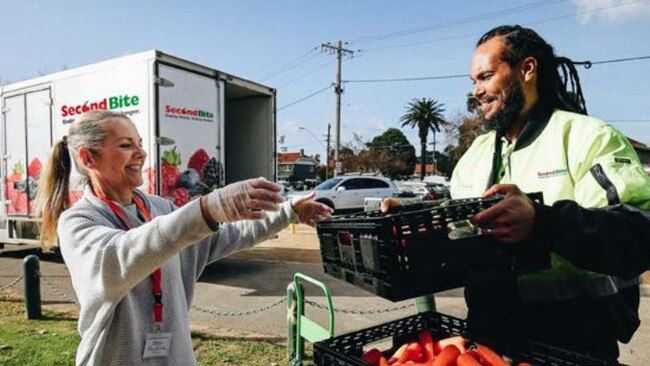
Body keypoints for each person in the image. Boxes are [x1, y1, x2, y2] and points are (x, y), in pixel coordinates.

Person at [36, 110, 332, 366]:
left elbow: (227, 235)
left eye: (139, 144)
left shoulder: (159, 207)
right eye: (126, 145)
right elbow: (117, 259)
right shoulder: (79, 221)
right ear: (89, 157)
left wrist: (288, 211)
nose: (141, 153)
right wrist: (203, 210)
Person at [449, 25, 650, 360]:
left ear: (527, 69)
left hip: (574, 346)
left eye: (485, 76)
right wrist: (407, 219)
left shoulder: (588, 137)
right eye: (473, 82)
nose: (477, 92)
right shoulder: (475, 155)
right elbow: (455, 230)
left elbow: (640, 231)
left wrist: (543, 223)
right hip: (488, 345)